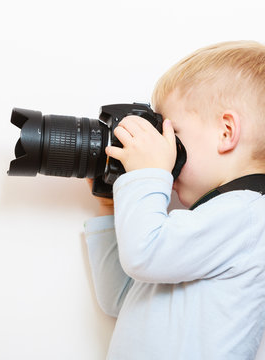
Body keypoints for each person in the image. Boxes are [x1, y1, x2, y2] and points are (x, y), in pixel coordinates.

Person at [84, 40, 265, 360]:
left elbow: (144, 254)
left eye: (172, 135)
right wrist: (113, 206)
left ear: (226, 132)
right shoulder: (201, 225)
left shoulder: (248, 215)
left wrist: (147, 174)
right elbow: (120, 297)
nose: (164, 149)